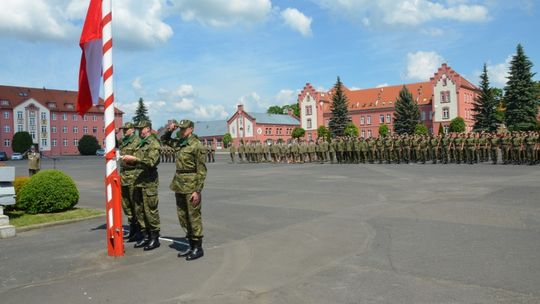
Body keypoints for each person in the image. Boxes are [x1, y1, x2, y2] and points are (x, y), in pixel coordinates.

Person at [161, 119, 207, 261]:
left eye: (184, 129)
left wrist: (197, 190)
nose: (182, 131)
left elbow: (202, 170)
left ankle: (198, 248)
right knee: (183, 216)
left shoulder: (196, 145)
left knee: (193, 216)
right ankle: (191, 245)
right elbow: (164, 140)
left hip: (191, 185)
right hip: (179, 183)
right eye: (180, 129)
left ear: (191, 129)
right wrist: (170, 129)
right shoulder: (180, 143)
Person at [122, 120, 161, 251]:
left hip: (148, 183)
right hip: (138, 181)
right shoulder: (141, 143)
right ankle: (145, 235)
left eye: (141, 129)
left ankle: (154, 238)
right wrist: (129, 161)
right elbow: (138, 162)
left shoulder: (153, 143)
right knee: (140, 211)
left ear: (148, 129)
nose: (139, 131)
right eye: (138, 129)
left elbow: (151, 162)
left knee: (150, 210)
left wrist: (135, 160)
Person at [118, 122, 142, 242]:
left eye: (126, 129)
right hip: (124, 175)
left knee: (135, 204)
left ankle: (139, 231)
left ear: (132, 129)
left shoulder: (137, 141)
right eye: (123, 129)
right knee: (126, 204)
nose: (124, 131)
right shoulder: (123, 141)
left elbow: (139, 158)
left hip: (133, 174)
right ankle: (132, 229)